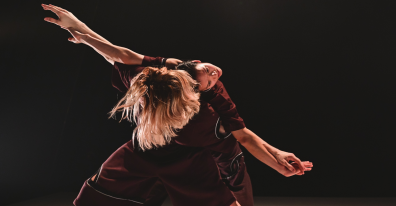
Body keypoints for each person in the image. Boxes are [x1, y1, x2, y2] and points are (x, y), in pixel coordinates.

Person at [42, 3, 313, 206]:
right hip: (149, 148)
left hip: (192, 158)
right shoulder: (185, 108)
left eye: (205, 73)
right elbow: (115, 54)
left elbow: (117, 54)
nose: (214, 75)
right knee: (95, 196)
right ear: (191, 98)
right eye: (206, 80)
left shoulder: (166, 72)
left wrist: (77, 28)